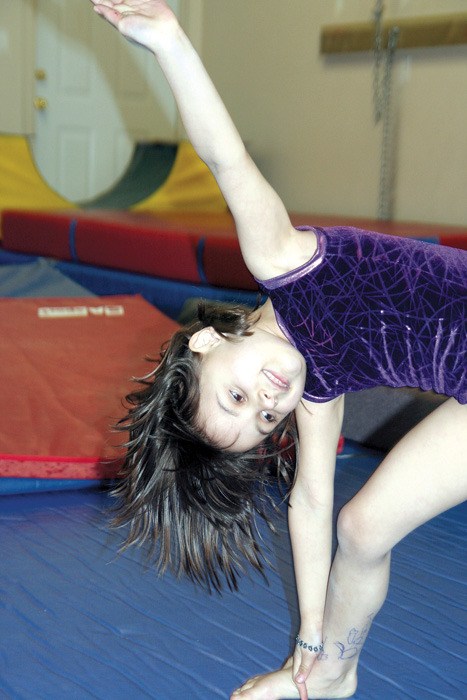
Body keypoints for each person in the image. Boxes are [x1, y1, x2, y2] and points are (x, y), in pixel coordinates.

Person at [91, 3, 467, 699]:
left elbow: (224, 158)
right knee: (359, 526)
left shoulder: (286, 268)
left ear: (208, 341)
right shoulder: (315, 386)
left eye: (238, 396)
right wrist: (308, 633)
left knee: (361, 525)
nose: (270, 403)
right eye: (264, 420)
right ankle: (329, 676)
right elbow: (308, 501)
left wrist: (171, 44)